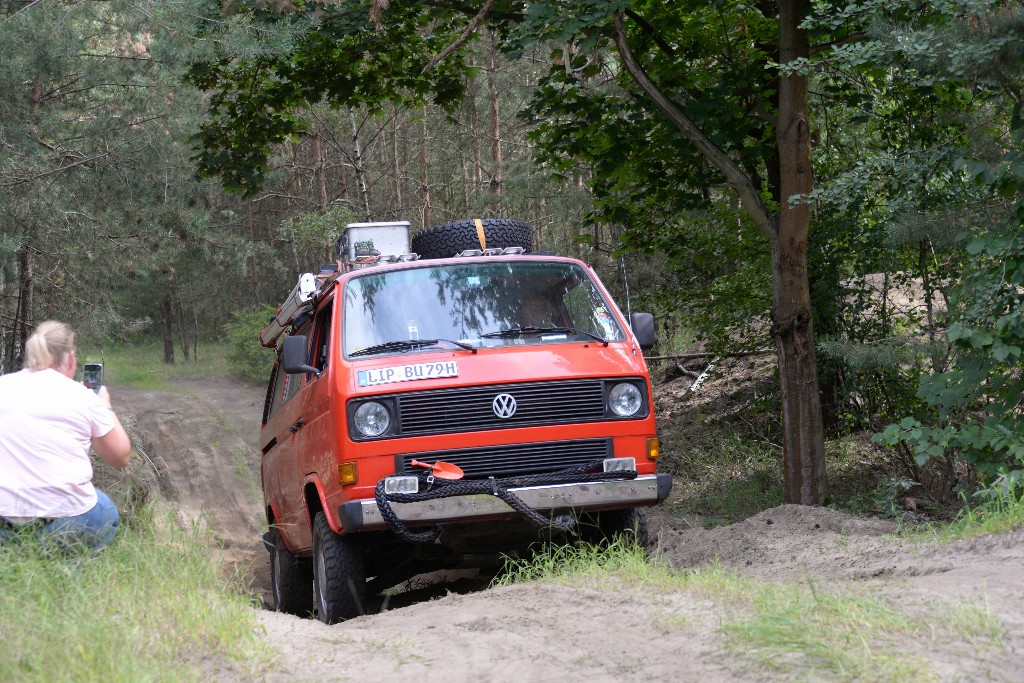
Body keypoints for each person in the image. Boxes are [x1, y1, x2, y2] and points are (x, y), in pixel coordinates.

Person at [0, 321, 132, 551]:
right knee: (105, 510)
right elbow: (120, 457)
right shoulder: (84, 397)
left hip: (4, 520)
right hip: (65, 521)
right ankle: (68, 563)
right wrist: (105, 407)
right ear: (71, 359)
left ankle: (16, 553)